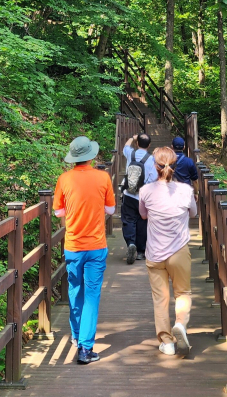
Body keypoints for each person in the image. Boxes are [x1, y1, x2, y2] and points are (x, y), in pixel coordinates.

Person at [53, 135, 115, 365]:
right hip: (96, 246)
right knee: (91, 296)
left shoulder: (64, 179)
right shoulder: (103, 177)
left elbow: (58, 212)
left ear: (73, 158)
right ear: (91, 156)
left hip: (73, 246)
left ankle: (77, 335)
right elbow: (110, 209)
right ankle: (85, 349)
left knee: (74, 290)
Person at [138, 146, 197, 357]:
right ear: (176, 164)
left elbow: (143, 215)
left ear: (155, 166)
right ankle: (180, 324)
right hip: (179, 250)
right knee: (183, 293)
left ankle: (167, 342)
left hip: (154, 253)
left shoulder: (145, 191)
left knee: (160, 299)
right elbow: (193, 213)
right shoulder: (186, 191)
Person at [120, 132, 157, 264]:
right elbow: (154, 179)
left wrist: (132, 138)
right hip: (144, 196)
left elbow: (125, 147)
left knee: (128, 220)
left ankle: (131, 243)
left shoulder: (131, 153)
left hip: (129, 194)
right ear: (150, 145)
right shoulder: (153, 159)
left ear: (137, 143)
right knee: (143, 222)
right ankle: (141, 251)